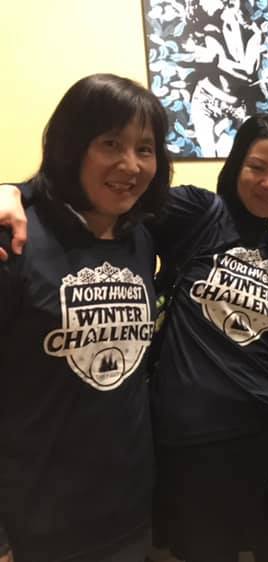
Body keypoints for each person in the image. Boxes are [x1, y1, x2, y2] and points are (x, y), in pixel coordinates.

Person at [0, 73, 171, 562]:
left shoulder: (140, 238)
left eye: (145, 149)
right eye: (110, 143)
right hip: (37, 522)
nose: (130, 165)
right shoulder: (16, 239)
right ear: (73, 146)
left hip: (128, 512)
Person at [147, 113, 268, 562]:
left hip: (265, 433)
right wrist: (17, 193)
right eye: (257, 167)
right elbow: (116, 198)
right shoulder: (199, 212)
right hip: (194, 438)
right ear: (236, 165)